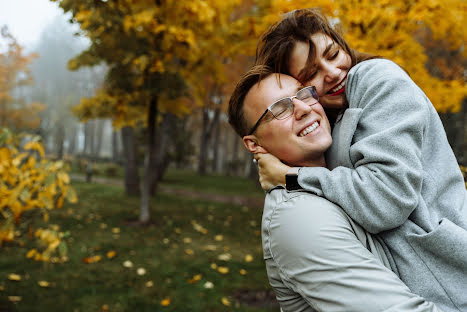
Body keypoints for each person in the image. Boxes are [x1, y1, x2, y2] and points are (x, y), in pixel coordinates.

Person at [253, 8, 467, 312]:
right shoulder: (327, 117)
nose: (333, 72)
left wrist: (293, 176)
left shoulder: (377, 78)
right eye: (311, 73)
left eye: (333, 53)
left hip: (449, 278)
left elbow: (386, 202)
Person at [228, 65, 442, 311]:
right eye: (279, 109)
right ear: (253, 144)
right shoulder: (298, 217)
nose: (303, 108)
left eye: (303, 94)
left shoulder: (346, 184)